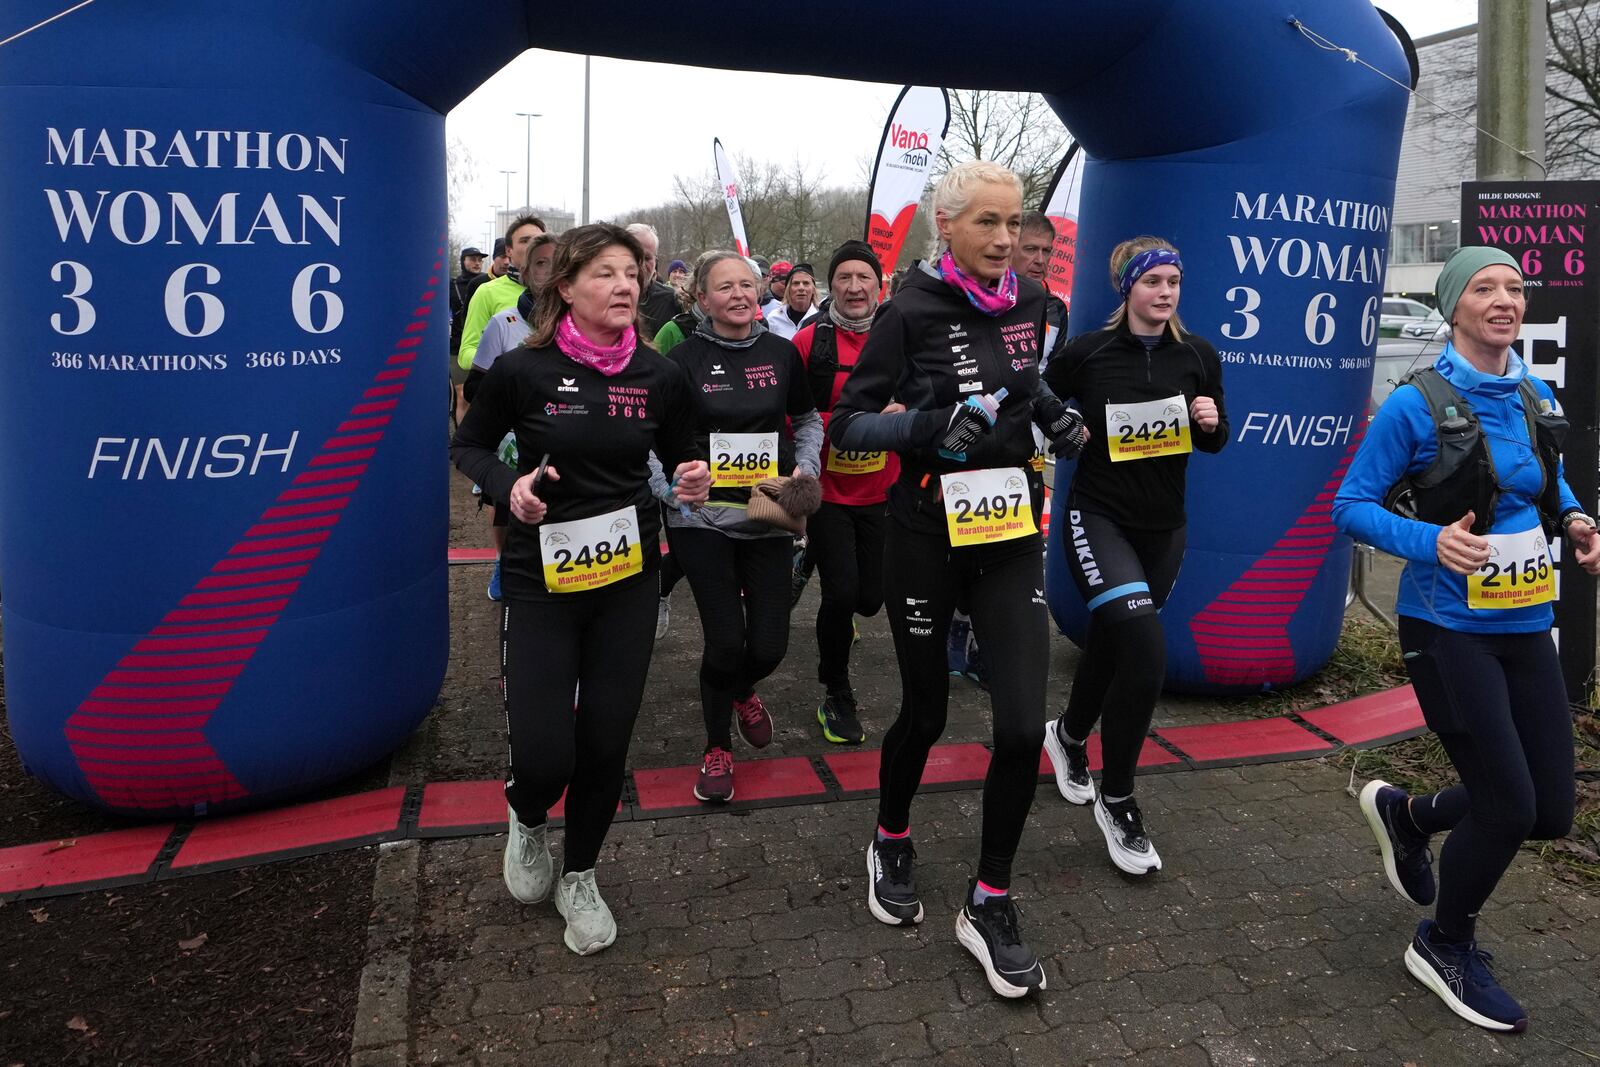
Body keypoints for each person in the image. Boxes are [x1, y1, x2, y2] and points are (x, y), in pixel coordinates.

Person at [829, 160, 1088, 999]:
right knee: (927, 710)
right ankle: (892, 833)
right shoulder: (907, 310)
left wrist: (1053, 415)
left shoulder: (1030, 303)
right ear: (949, 225)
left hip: (1009, 529)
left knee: (1019, 726)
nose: (1007, 240)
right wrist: (935, 425)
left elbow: (1024, 380)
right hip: (924, 531)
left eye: (1015, 224)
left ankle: (989, 899)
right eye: (989, 223)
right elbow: (850, 424)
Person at [1332, 246, 1600, 1033]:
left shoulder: (1530, 388)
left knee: (1550, 808)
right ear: (1454, 306)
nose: (1503, 299)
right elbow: (1349, 506)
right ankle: (1443, 942)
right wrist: (1427, 541)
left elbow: (1549, 482)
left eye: (1514, 287)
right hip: (1447, 629)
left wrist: (1579, 519)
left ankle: (1412, 817)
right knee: (1508, 803)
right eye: (1484, 287)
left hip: (1525, 623)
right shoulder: (1416, 404)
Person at [450, 223, 710, 956]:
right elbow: (467, 443)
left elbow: (685, 456)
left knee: (604, 740)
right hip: (542, 580)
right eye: (605, 273)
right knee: (544, 753)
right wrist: (511, 487)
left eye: (632, 272)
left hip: (629, 577)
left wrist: (694, 477)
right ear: (564, 287)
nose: (626, 285)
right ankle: (526, 812)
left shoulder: (660, 376)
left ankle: (582, 872)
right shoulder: (525, 371)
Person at [1040, 236, 1227, 877]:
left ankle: (1066, 735)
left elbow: (1216, 441)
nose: (1166, 292)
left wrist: (1209, 420)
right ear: (1129, 290)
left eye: (1174, 280)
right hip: (1099, 517)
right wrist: (1064, 423)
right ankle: (1118, 801)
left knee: (1116, 643)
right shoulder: (1089, 352)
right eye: (1153, 282)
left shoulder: (1197, 354)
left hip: (1164, 527)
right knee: (1145, 652)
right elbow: (1040, 399)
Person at [656, 249, 824, 803]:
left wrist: (806, 466)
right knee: (725, 641)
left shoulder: (780, 354)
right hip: (701, 521)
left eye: (747, 286)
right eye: (724, 287)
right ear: (701, 298)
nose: (739, 295)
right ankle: (715, 747)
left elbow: (805, 421)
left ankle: (743, 689)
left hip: (767, 513)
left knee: (771, 645)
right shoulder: (680, 360)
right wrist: (673, 490)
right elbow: (653, 443)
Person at [793, 240, 899, 744]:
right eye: (844, 278)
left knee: (871, 600)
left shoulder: (899, 336)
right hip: (829, 494)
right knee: (840, 596)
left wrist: (906, 415)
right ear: (828, 286)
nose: (854, 287)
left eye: (864, 278)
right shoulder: (810, 342)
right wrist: (852, 425)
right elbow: (792, 414)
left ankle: (813, 565)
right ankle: (836, 692)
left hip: (884, 491)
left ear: (880, 285)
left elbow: (926, 394)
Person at [467, 233, 558, 601]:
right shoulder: (504, 322)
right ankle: (505, 564)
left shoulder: (587, 324)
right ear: (522, 268)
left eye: (557, 261)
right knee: (509, 510)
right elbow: (475, 388)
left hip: (563, 443)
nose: (548, 270)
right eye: (539, 262)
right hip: (514, 444)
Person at [458, 215, 547, 374]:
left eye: (539, 240)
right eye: (525, 240)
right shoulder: (487, 292)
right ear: (509, 250)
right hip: (509, 389)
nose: (533, 246)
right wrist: (505, 363)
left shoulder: (563, 290)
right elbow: (466, 352)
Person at [1014, 212, 1069, 368]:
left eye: (1046, 251)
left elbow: (1053, 375)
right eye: (1030, 249)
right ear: (1010, 249)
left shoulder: (1057, 309)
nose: (1040, 260)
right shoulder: (986, 297)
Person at [450, 246, 486, 425]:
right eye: (472, 259)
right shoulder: (453, 285)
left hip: (485, 347)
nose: (477, 263)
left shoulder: (488, 285)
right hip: (458, 347)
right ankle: (461, 441)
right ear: (463, 261)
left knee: (480, 396)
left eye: (480, 260)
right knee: (462, 393)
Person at [627, 223, 682, 341]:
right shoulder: (606, 297)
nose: (641, 264)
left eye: (647, 258)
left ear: (655, 261)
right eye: (635, 256)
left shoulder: (671, 300)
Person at [767, 262, 819, 340]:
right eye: (796, 283)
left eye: (806, 283)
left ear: (813, 289)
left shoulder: (821, 318)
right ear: (788, 289)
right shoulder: (774, 318)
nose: (801, 288)